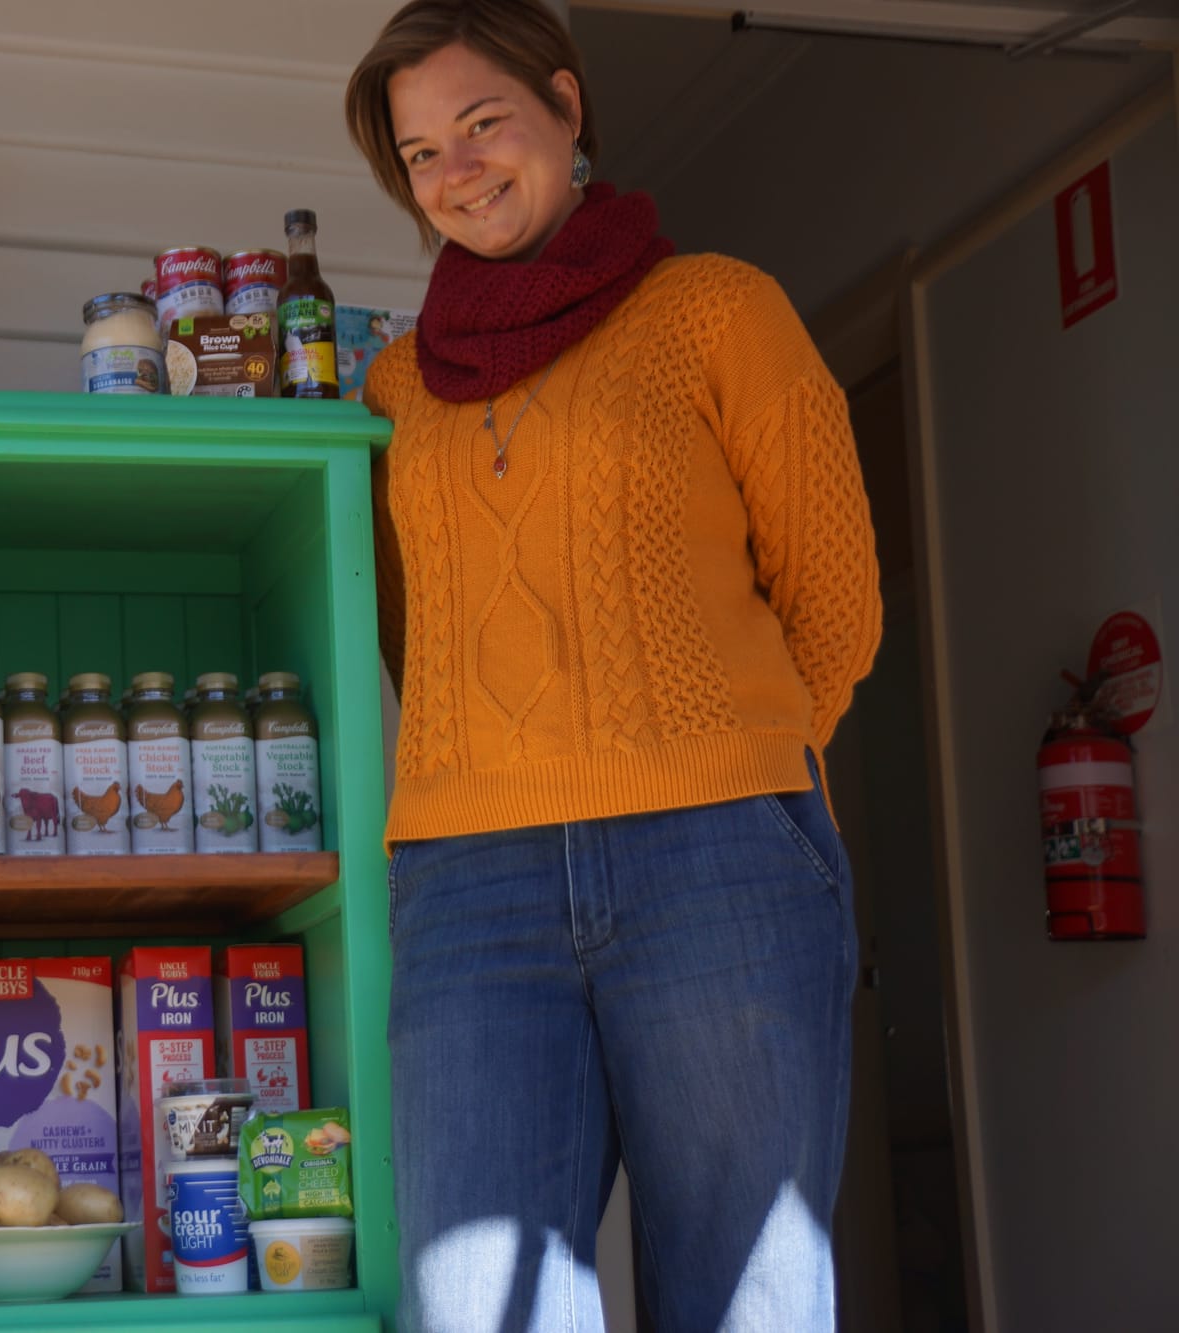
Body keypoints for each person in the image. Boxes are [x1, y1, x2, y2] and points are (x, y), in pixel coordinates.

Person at [345, 3, 882, 1330]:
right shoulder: (396, 389)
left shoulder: (716, 308)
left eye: (483, 125)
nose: (456, 172)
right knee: (478, 1308)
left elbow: (838, 597)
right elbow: (411, 631)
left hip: (719, 863)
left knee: (749, 1298)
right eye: (420, 154)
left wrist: (723, 750)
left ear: (568, 108)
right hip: (470, 890)